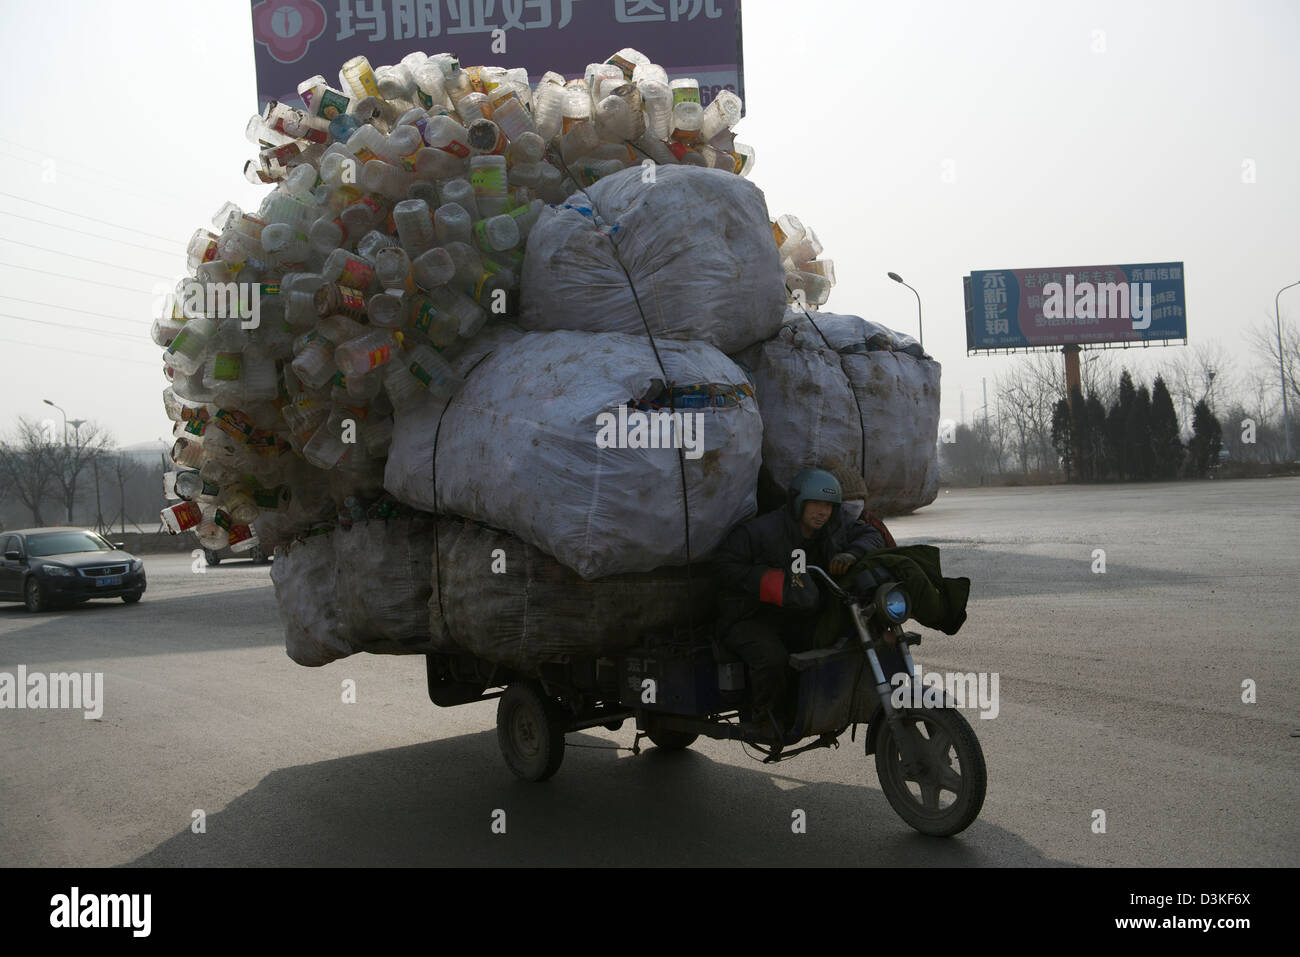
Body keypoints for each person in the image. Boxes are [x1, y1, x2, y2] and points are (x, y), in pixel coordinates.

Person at [712, 467, 885, 740]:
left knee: (834, 646)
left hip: (795, 614)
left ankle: (811, 711)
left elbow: (872, 536)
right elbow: (723, 564)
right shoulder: (763, 531)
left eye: (828, 505)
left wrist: (852, 553)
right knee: (772, 658)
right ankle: (765, 717)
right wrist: (767, 581)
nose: (822, 512)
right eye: (815, 503)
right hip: (749, 616)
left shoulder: (833, 527)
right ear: (797, 502)